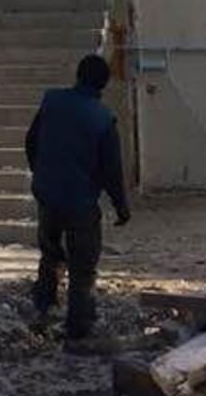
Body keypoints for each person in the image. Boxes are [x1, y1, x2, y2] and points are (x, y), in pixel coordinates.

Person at [25, 54, 130, 341]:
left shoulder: (51, 102)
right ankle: (79, 328)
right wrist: (121, 206)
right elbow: (112, 170)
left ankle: (43, 310)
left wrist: (41, 173)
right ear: (103, 84)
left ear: (78, 75)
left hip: (48, 196)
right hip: (81, 203)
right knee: (83, 267)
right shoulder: (102, 119)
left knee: (50, 255)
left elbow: (31, 140)